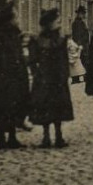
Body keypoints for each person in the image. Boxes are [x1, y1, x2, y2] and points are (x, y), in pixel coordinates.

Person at [0, 3, 31, 150]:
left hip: (14, 76)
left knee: (14, 107)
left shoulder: (14, 32)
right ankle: (2, 138)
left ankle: (12, 137)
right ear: (9, 18)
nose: (18, 19)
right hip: (2, 77)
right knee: (3, 107)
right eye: (16, 16)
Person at [30, 8, 74, 149]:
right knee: (45, 107)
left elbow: (64, 60)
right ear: (49, 23)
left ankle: (59, 135)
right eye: (57, 21)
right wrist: (37, 73)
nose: (59, 23)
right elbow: (32, 60)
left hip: (58, 79)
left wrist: (65, 75)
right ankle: (46, 136)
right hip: (43, 79)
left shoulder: (61, 40)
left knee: (58, 107)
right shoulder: (37, 40)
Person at [70, 5, 90, 85]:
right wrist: (79, 45)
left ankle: (79, 77)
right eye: (82, 13)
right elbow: (78, 35)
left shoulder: (80, 22)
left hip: (82, 44)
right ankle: (77, 78)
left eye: (84, 13)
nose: (84, 15)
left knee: (80, 61)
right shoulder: (77, 23)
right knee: (80, 61)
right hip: (80, 45)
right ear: (78, 14)